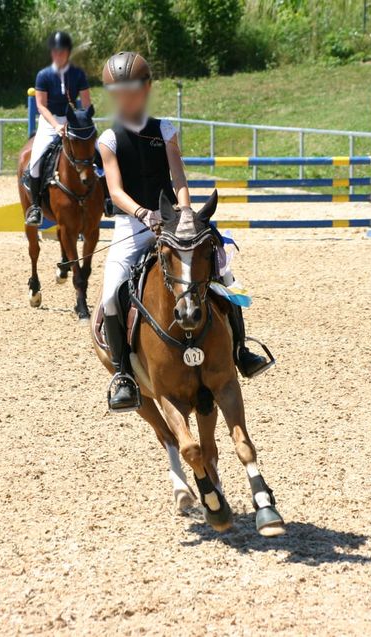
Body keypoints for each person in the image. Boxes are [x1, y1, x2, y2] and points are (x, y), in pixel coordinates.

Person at [97, 51, 273, 413]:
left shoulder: (164, 130)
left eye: (130, 89)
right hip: (132, 223)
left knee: (225, 274)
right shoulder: (108, 140)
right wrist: (143, 214)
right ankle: (123, 375)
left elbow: (178, 176)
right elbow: (115, 191)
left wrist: (187, 213)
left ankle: (241, 350)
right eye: (117, 91)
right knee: (113, 295)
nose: (124, 97)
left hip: (174, 219)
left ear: (145, 90)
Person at [24, 31, 91, 227]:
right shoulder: (43, 75)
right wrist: (56, 125)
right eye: (55, 51)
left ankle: (107, 200)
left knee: (95, 152)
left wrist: (80, 122)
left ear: (68, 52)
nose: (58, 55)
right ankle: (35, 207)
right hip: (49, 122)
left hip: (74, 120)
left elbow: (86, 103)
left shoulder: (78, 74)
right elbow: (41, 105)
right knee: (36, 159)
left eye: (61, 52)